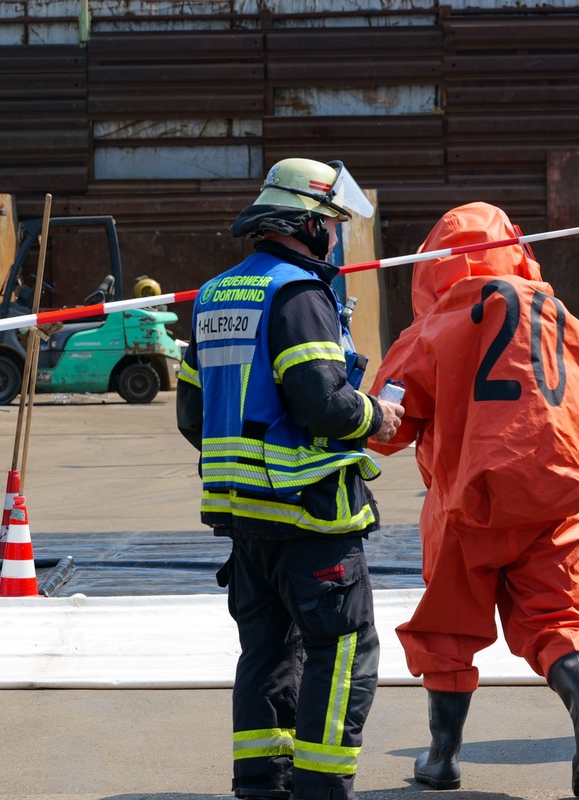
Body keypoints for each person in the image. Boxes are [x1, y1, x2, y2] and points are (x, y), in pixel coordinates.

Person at [364, 202, 579, 798]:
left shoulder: (438, 323)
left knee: (448, 629)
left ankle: (442, 758)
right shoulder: (563, 317)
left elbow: (387, 428)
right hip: (550, 499)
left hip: (466, 502)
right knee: (555, 618)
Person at [176, 157, 404, 800]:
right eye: (330, 225)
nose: (334, 238)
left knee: (266, 654)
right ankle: (321, 789)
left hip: (244, 518)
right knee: (342, 653)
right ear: (307, 224)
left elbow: (193, 415)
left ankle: (259, 784)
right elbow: (324, 404)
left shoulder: (215, 293)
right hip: (311, 516)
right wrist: (377, 417)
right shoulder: (299, 294)